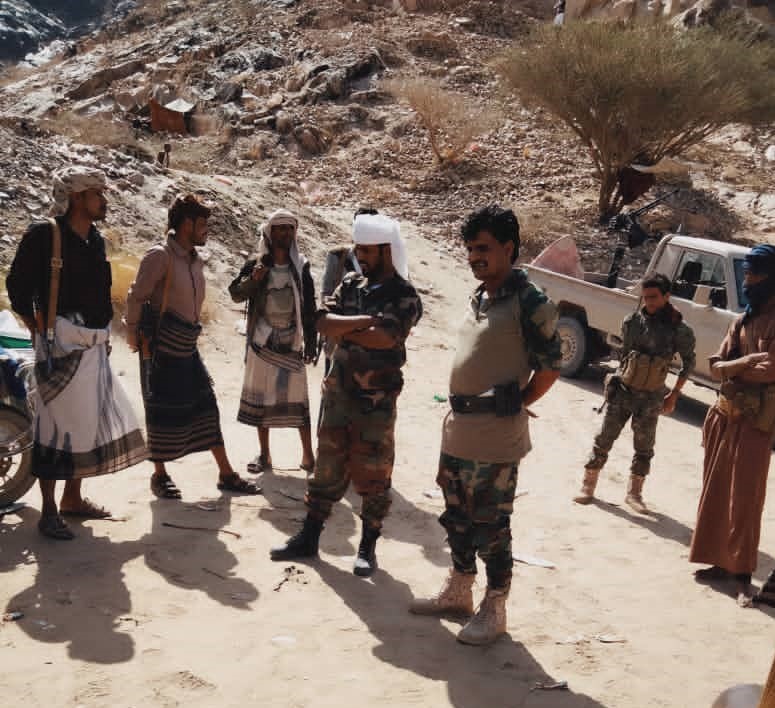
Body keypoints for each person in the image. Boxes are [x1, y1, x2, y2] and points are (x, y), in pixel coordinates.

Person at [409, 205, 562, 645]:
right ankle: (459, 590)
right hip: (459, 428)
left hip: (496, 437)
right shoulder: (479, 296)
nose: (474, 257)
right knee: (457, 517)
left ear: (508, 248)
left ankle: (494, 609)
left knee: (491, 526)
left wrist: (519, 402)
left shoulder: (530, 301)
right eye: (470, 249)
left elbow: (551, 366)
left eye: (483, 248)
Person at [270, 213, 422, 577]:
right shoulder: (351, 284)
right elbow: (323, 323)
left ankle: (367, 548)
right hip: (338, 394)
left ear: (386, 250)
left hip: (375, 403)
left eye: (366, 250)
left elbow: (385, 338)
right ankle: (309, 538)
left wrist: (348, 328)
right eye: (358, 249)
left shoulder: (404, 295)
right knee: (326, 468)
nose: (359, 256)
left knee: (374, 475)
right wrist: (366, 321)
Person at [6, 166, 146, 539]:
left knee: (85, 425)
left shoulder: (95, 240)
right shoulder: (45, 235)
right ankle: (49, 510)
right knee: (54, 428)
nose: (103, 199)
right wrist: (37, 327)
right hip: (60, 345)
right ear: (77, 197)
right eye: (97, 193)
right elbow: (17, 287)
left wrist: (103, 335)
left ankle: (72, 498)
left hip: (94, 344)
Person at [126, 193, 259, 499]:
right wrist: (133, 335)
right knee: (159, 412)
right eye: (202, 224)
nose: (206, 230)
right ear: (187, 224)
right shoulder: (159, 256)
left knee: (206, 408)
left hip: (187, 346)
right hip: (160, 347)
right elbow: (136, 296)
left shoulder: (195, 259)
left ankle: (226, 474)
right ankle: (159, 476)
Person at [689, 244, 775, 607]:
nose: (747, 279)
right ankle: (718, 562)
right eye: (747, 272)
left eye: (754, 273)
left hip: (755, 423)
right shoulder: (742, 320)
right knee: (716, 492)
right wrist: (742, 364)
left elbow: (769, 370)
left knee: (745, 500)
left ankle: (741, 574)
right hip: (725, 415)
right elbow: (714, 366)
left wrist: (733, 367)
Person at [574, 273, 696, 512]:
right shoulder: (632, 322)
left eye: (654, 297)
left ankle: (635, 494)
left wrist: (674, 394)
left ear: (667, 296)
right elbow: (625, 357)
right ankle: (588, 485)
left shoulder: (679, 330)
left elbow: (688, 363)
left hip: (651, 397)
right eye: (645, 297)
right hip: (624, 391)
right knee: (603, 439)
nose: (649, 302)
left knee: (644, 448)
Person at [229, 209, 317, 475]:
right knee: (261, 401)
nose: (285, 234)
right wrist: (254, 279)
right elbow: (236, 294)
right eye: (280, 228)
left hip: (291, 341)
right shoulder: (256, 264)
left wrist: (311, 342)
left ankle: (308, 456)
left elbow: (309, 307)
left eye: (290, 229)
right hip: (262, 342)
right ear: (270, 232)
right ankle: (265, 455)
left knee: (299, 401)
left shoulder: (301, 266)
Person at [318, 208, 376, 374]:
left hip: (371, 337)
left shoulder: (384, 260)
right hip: (340, 335)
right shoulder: (338, 256)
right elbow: (327, 292)